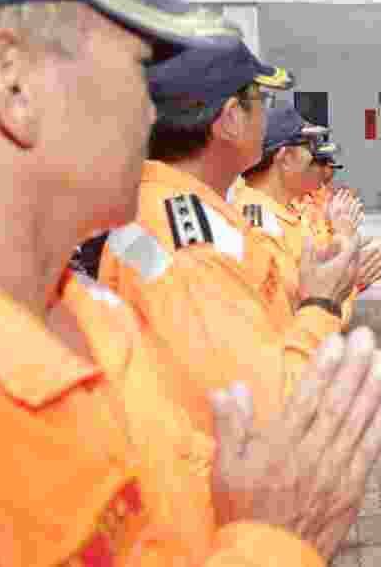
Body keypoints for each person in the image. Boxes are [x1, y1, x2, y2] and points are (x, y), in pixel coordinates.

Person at [0, 0, 381, 562]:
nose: (153, 109)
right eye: (140, 66)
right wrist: (274, 540)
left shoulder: (93, 316)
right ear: (13, 81)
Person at [98, 40, 358, 433]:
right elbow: (264, 415)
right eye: (262, 103)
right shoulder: (193, 245)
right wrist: (323, 303)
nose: (267, 121)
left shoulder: (184, 210)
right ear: (232, 118)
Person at [236, 111, 381, 332]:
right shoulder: (259, 228)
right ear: (287, 158)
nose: (317, 160)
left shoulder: (283, 213)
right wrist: (346, 285)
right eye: (310, 149)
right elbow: (293, 323)